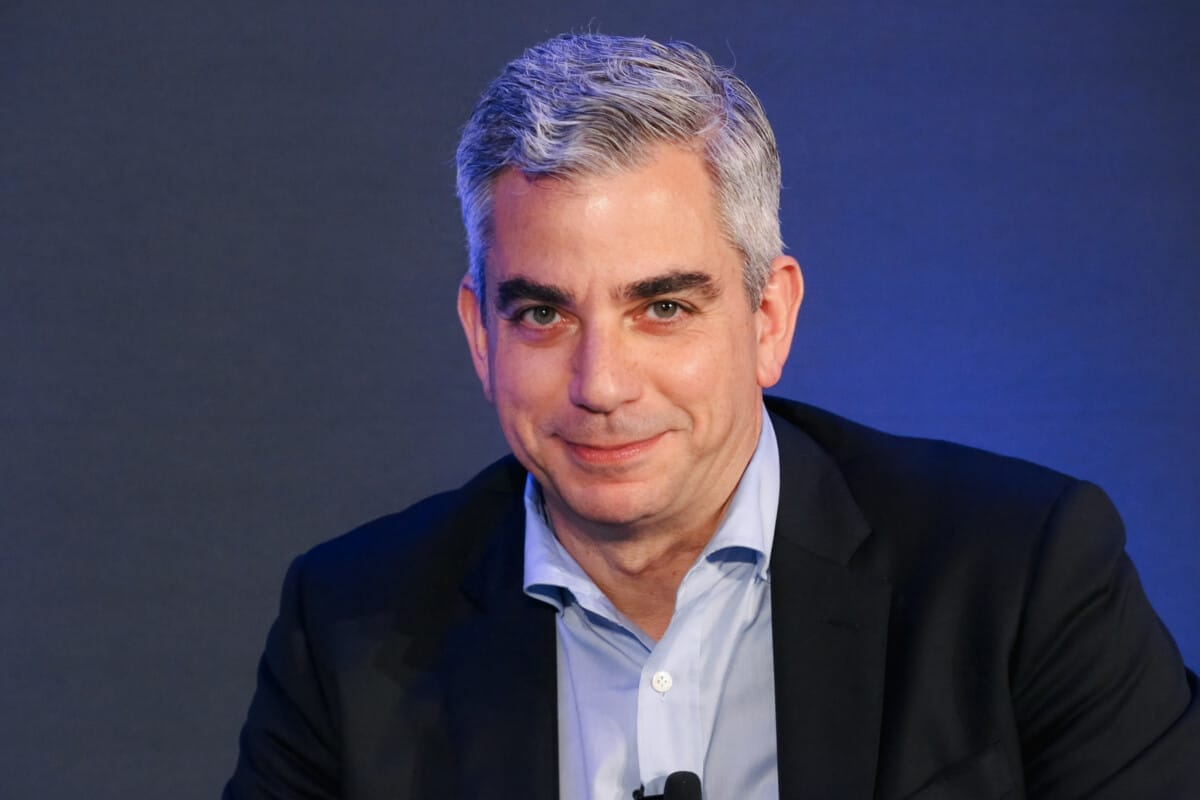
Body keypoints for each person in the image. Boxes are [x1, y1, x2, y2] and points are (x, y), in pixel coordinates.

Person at [224, 33, 1199, 799]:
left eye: (662, 307)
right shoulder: (350, 626)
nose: (603, 384)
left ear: (768, 318)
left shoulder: (1020, 575)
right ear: (482, 335)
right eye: (543, 314)